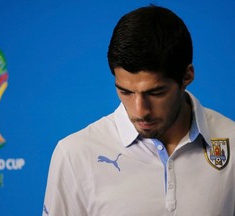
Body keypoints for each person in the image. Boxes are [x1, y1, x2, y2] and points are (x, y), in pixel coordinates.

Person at [43, 5, 235, 216]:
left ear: (186, 77)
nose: (139, 110)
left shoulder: (232, 141)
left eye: (155, 93)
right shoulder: (75, 155)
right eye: (125, 91)